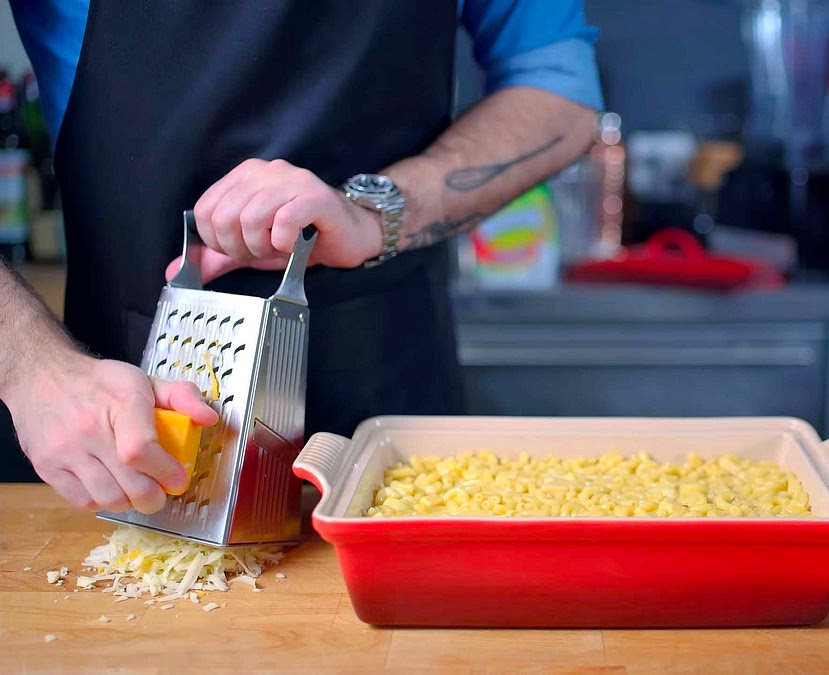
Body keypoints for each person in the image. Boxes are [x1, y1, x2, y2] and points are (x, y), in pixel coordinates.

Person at [0, 1, 602, 515]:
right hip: (112, 416)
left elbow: (557, 86)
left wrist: (379, 210)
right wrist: (30, 366)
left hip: (387, 386)